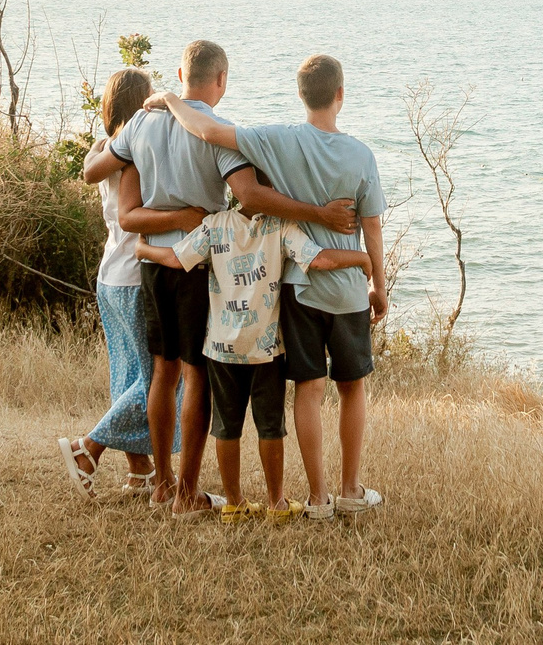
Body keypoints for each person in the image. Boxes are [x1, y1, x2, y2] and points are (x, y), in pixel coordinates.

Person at [82, 39, 354, 515]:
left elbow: (98, 171)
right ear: (221, 80)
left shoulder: (141, 122)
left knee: (161, 374)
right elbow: (248, 196)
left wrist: (137, 132)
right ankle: (187, 493)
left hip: (151, 266)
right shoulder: (216, 132)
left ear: (179, 72)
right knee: (193, 375)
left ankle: (162, 484)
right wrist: (316, 213)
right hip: (195, 267)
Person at [145, 52, 389, 516]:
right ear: (340, 94)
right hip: (348, 292)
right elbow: (372, 228)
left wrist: (171, 98)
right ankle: (351, 490)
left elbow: (209, 131)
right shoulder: (361, 154)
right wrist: (378, 285)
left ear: (301, 96)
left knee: (310, 389)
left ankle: (317, 498)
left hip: (299, 289)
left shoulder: (278, 140)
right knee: (352, 388)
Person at [135, 203, 369, 520]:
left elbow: (177, 259)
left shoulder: (214, 225)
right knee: (270, 427)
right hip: (266, 347)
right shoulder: (280, 227)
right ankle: (276, 503)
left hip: (220, 348)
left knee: (226, 427)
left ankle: (234, 503)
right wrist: (362, 258)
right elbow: (320, 259)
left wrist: (144, 249)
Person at [61, 67, 159, 498]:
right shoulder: (135, 153)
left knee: (127, 374)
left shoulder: (99, 149)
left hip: (108, 275)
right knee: (154, 378)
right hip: (136, 276)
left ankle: (139, 470)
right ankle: (88, 448)